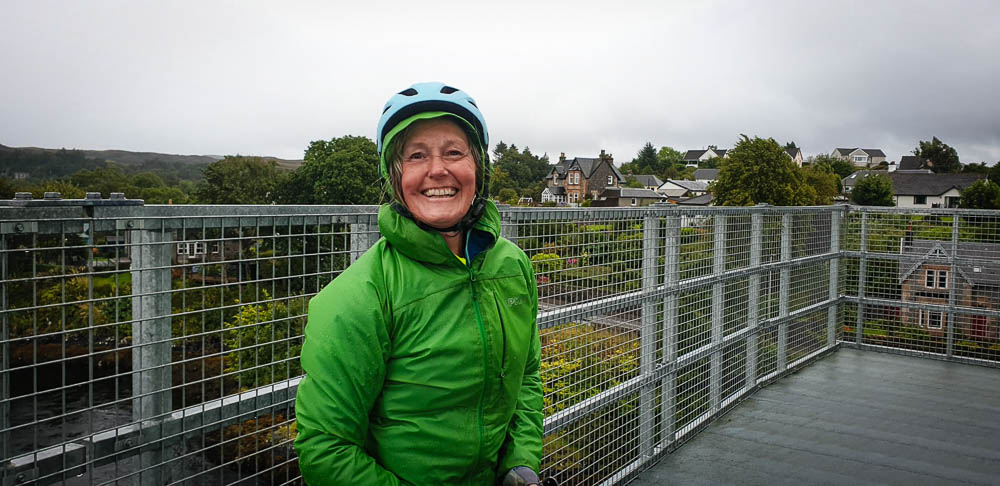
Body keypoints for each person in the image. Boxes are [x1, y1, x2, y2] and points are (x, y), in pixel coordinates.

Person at [294, 82, 543, 485]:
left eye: (454, 152)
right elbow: (325, 450)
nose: (437, 170)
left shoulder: (513, 266)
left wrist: (521, 460)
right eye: (416, 156)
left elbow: (527, 373)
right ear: (395, 177)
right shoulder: (360, 295)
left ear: (479, 168)